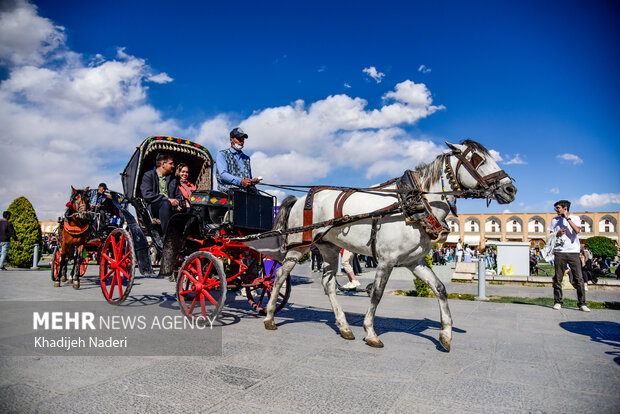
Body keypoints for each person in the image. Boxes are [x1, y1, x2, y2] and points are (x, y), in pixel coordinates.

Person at [548, 200, 590, 312]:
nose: (556, 210)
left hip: (573, 252)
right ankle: (558, 302)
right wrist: (558, 233)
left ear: (565, 208)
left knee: (579, 279)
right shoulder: (554, 220)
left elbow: (577, 231)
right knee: (558, 278)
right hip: (559, 252)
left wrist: (568, 219)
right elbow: (550, 236)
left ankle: (582, 304)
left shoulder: (575, 218)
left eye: (558, 208)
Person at [140, 152, 183, 234]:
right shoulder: (149, 175)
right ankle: (167, 237)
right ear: (163, 164)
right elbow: (147, 194)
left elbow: (178, 195)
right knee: (165, 203)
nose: (173, 166)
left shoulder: (172, 180)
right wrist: (168, 200)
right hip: (154, 207)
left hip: (171, 207)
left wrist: (179, 203)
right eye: (171, 163)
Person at [215, 127, 260, 193]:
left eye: (243, 140)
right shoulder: (222, 154)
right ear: (231, 140)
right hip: (230, 190)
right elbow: (223, 175)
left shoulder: (246, 158)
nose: (241, 142)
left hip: (247, 191)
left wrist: (252, 181)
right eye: (239, 139)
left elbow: (248, 177)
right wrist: (241, 181)